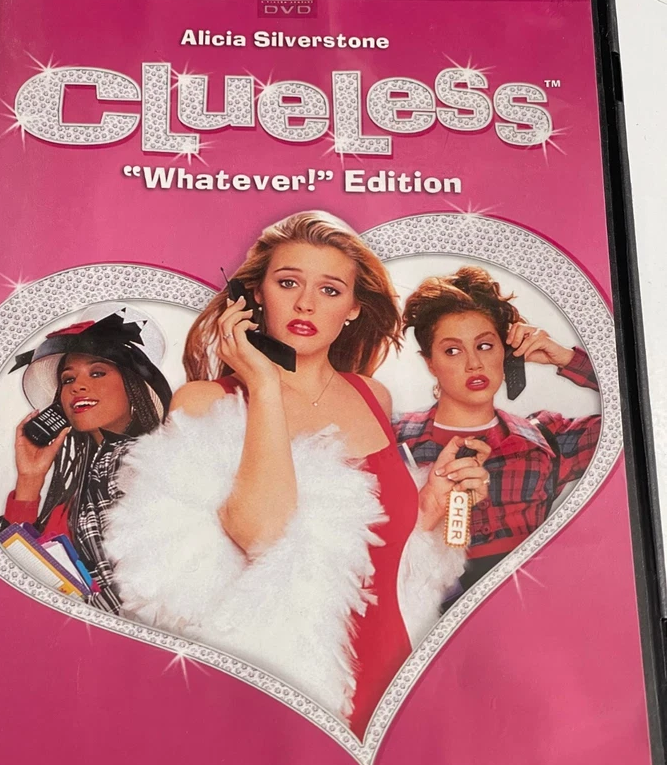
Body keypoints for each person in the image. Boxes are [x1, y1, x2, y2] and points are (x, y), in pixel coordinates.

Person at [105, 213, 463, 738]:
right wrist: (264, 386)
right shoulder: (206, 403)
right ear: (255, 294)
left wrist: (436, 510)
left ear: (353, 307)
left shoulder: (372, 396)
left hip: (396, 669)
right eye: (288, 282)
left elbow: (399, 554)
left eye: (330, 289)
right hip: (283, 685)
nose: (305, 304)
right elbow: (264, 534)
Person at [394, 265, 601, 605]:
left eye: (485, 345)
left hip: (525, 616)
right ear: (429, 362)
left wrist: (566, 358)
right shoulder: (392, 438)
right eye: (452, 350)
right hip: (423, 624)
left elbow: (649, 415)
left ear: (505, 352)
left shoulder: (546, 442)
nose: (474, 364)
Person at [0, 307, 173, 613]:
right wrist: (30, 480)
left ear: (134, 388)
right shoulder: (78, 486)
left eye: (97, 372)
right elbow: (14, 570)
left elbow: (140, 593)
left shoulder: (135, 463)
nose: (77, 386)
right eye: (68, 379)